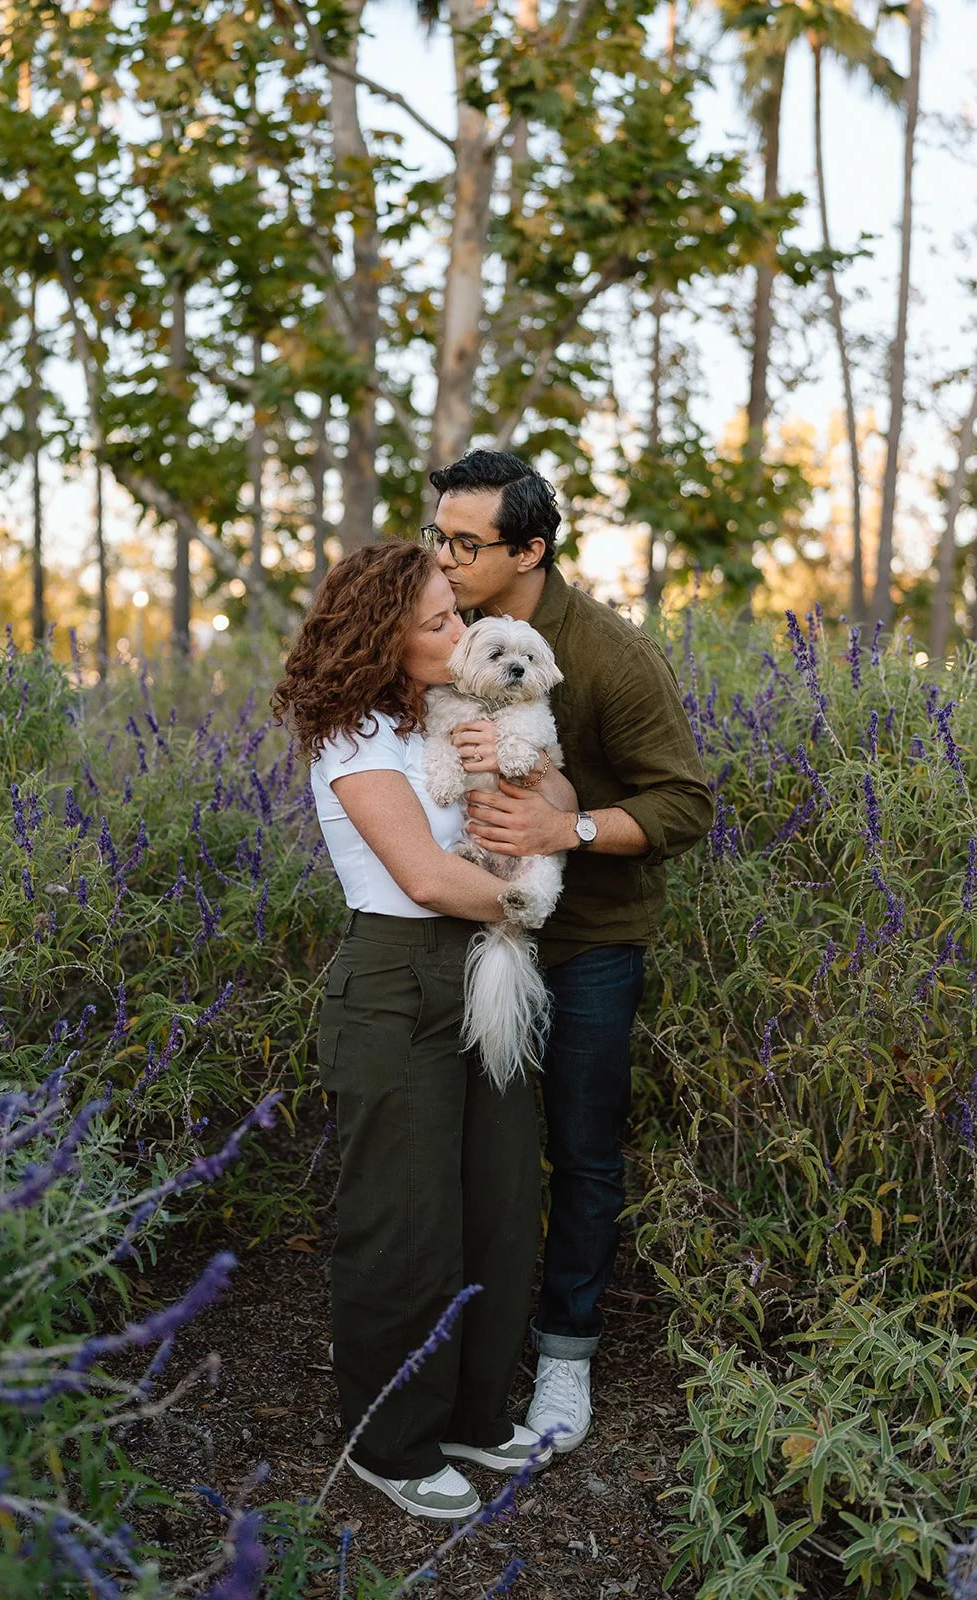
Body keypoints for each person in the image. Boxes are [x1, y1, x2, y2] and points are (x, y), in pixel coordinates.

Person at [271, 540, 577, 1520]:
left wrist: (542, 803)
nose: (459, 632)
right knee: (404, 1221)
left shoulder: (462, 711)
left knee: (498, 1201)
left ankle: (473, 1415)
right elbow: (426, 876)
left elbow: (557, 801)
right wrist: (530, 903)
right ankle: (391, 1444)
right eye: (437, 621)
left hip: (486, 965)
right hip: (398, 978)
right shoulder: (352, 734)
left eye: (458, 613)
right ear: (382, 638)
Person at [423, 450, 714, 1455]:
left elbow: (684, 803)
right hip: (464, 919)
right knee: (469, 1145)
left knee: (583, 1149)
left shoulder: (610, 655)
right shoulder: (438, 627)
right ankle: (459, 1348)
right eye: (438, 536)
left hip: (589, 939)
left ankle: (563, 1355)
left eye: (466, 544)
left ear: (529, 550)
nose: (444, 558)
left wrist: (567, 828)